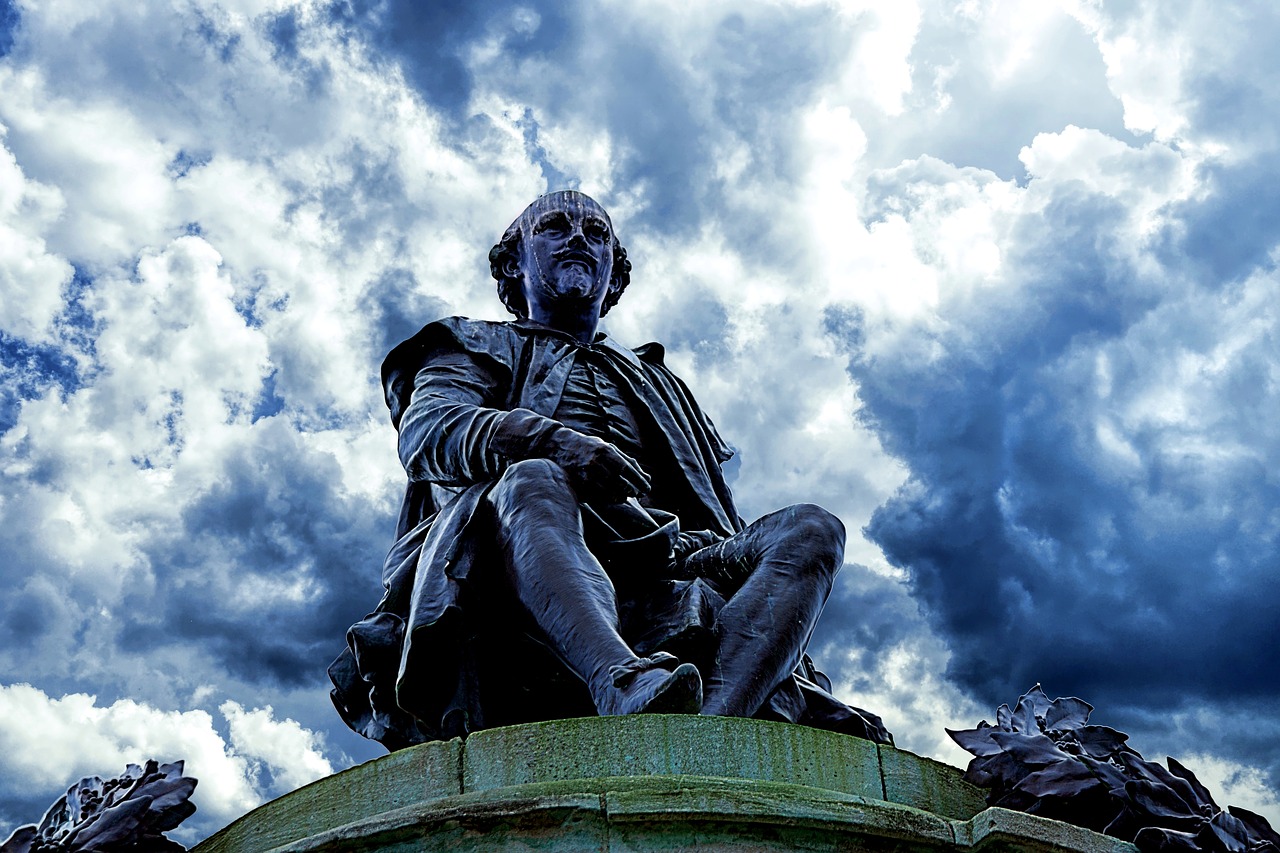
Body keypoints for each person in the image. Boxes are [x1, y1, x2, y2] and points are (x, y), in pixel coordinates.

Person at [330, 191, 890, 749]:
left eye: (596, 233)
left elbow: (710, 504)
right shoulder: (472, 343)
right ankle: (619, 681)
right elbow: (430, 432)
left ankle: (707, 732)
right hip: (523, 535)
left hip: (673, 549)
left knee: (811, 530)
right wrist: (553, 441)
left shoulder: (659, 382)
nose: (578, 237)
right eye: (554, 226)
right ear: (513, 263)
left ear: (613, 274)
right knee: (534, 477)